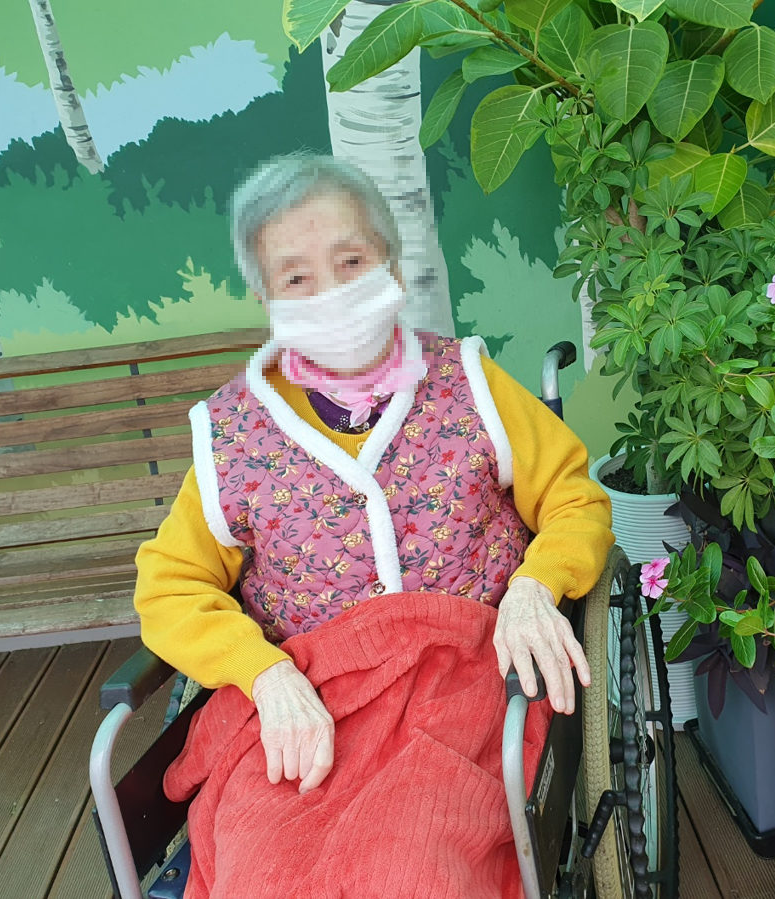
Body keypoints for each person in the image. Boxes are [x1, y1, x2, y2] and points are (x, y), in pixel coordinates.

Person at [134, 153, 613, 797]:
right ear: (265, 298)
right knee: (263, 844)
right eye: (296, 277)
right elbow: (170, 587)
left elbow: (574, 499)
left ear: (392, 264)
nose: (329, 293)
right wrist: (264, 674)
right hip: (312, 709)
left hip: (473, 687)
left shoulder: (468, 382)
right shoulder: (232, 433)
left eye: (351, 261)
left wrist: (536, 587)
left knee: (429, 838)